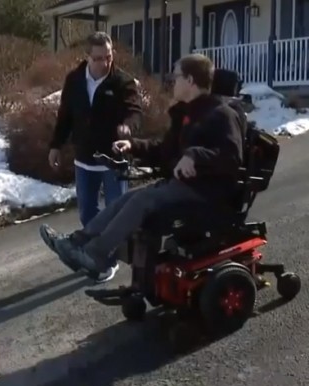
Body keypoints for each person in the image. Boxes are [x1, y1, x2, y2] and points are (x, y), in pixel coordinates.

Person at [40, 54, 246, 280]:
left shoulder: (221, 114)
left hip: (207, 192)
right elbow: (164, 151)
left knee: (142, 200)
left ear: (190, 81)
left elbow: (231, 157)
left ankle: (95, 255)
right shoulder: (187, 114)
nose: (171, 82)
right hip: (185, 185)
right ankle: (77, 242)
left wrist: (195, 155)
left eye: (175, 77)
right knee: (126, 199)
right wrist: (133, 146)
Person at [44, 31, 142, 283]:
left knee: (115, 214)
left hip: (114, 160)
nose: (104, 63)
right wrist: (56, 145)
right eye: (98, 58)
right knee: (88, 211)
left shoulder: (123, 82)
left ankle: (107, 262)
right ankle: (92, 254)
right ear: (87, 57)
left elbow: (134, 111)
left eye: (108, 57)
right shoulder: (75, 80)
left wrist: (128, 128)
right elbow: (65, 116)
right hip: (85, 158)